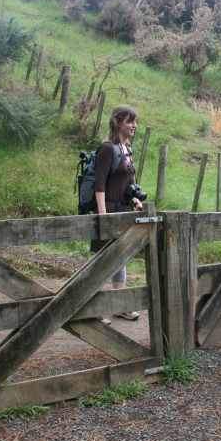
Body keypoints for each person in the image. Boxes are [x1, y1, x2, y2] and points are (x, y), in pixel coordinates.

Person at [92, 105, 143, 321]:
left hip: (123, 211)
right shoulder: (107, 149)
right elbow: (99, 185)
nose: (134, 126)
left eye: (135, 121)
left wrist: (134, 199)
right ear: (118, 123)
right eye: (130, 121)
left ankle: (120, 305)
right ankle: (94, 309)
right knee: (103, 261)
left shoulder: (126, 149)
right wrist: (103, 216)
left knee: (120, 258)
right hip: (108, 211)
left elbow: (127, 184)